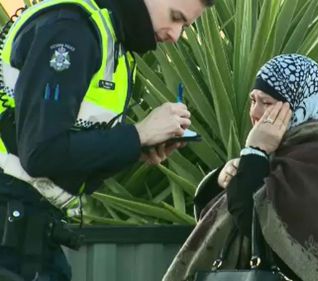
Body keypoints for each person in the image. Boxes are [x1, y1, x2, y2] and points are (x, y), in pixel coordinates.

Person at [0, 0, 214, 280]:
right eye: (175, 18)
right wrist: (137, 134)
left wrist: (135, 147)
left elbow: (63, 152)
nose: (175, 36)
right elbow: (41, 153)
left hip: (29, 228)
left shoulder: (109, 38)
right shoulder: (71, 29)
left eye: (184, 26)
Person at [163, 54, 318, 281]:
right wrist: (223, 178)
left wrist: (254, 152)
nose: (254, 112)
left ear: (300, 105)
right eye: (253, 100)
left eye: (267, 103)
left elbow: (255, 225)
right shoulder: (285, 150)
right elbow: (229, 212)